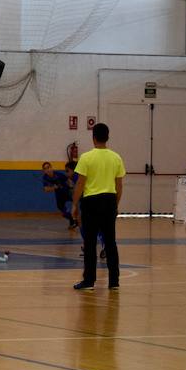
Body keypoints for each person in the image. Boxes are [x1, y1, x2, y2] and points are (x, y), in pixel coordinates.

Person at [71, 123, 125, 291]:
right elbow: (119, 185)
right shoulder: (116, 157)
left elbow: (80, 183)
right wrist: (114, 205)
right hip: (109, 201)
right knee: (110, 242)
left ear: (93, 137)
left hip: (91, 203)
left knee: (90, 242)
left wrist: (74, 205)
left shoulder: (86, 158)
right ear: (107, 137)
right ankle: (114, 281)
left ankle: (89, 281)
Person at [65, 160, 105, 259]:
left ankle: (94, 246)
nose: (66, 173)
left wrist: (74, 205)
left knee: (87, 222)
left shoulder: (77, 177)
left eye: (67, 171)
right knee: (83, 222)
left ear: (73, 170)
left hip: (91, 200)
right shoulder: (78, 177)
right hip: (94, 200)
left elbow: (79, 190)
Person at [42, 161, 76, 229]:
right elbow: (46, 189)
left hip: (67, 192)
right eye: (45, 169)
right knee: (63, 212)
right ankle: (72, 221)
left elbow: (68, 181)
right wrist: (53, 187)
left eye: (48, 167)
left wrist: (71, 187)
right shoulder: (45, 178)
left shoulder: (59, 174)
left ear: (51, 168)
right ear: (44, 171)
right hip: (59, 195)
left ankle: (80, 219)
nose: (47, 169)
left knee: (76, 202)